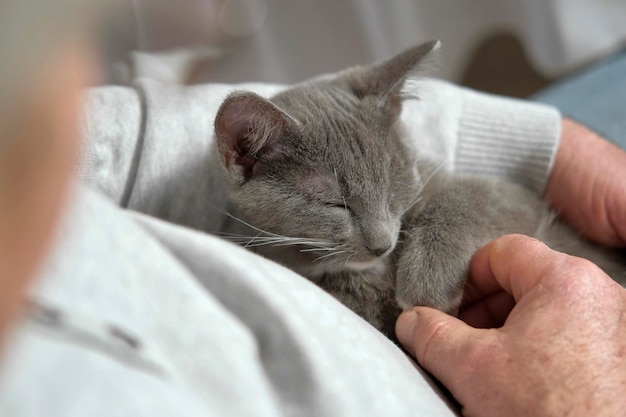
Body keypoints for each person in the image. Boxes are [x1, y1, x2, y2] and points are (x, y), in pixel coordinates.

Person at [1, 2, 626, 416]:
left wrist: (537, 145)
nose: (383, 235)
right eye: (335, 207)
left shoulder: (30, 153)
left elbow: (105, 138)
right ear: (245, 156)